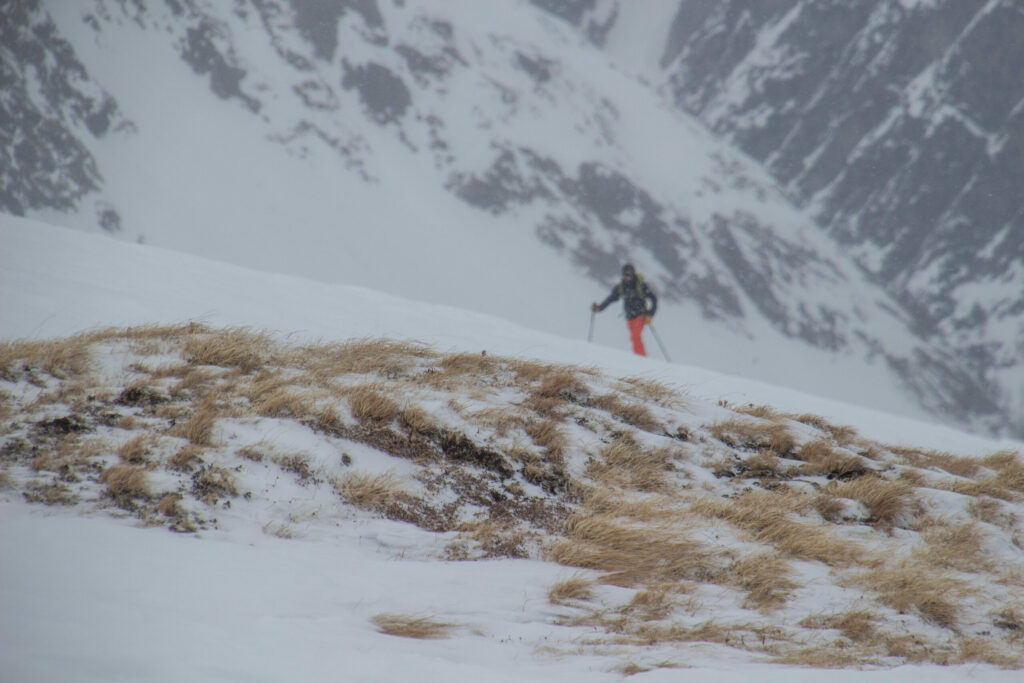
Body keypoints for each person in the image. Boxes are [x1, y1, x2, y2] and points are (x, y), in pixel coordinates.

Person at [591, 264, 657, 356]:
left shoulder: (640, 285)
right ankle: (639, 357)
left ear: (633, 274)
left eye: (629, 274)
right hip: (629, 317)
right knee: (634, 338)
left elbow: (654, 299)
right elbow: (611, 298)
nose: (627, 277)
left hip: (640, 315)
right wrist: (599, 308)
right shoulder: (622, 287)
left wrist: (650, 314)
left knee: (635, 336)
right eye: (625, 274)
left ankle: (642, 358)